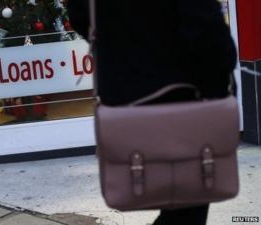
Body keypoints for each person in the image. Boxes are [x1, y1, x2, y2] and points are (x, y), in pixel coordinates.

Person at [66, 0, 237, 225]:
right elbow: (206, 26)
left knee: (184, 203)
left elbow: (81, 15)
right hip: (185, 88)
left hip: (123, 91)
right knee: (192, 195)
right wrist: (221, 77)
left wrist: (116, 50)